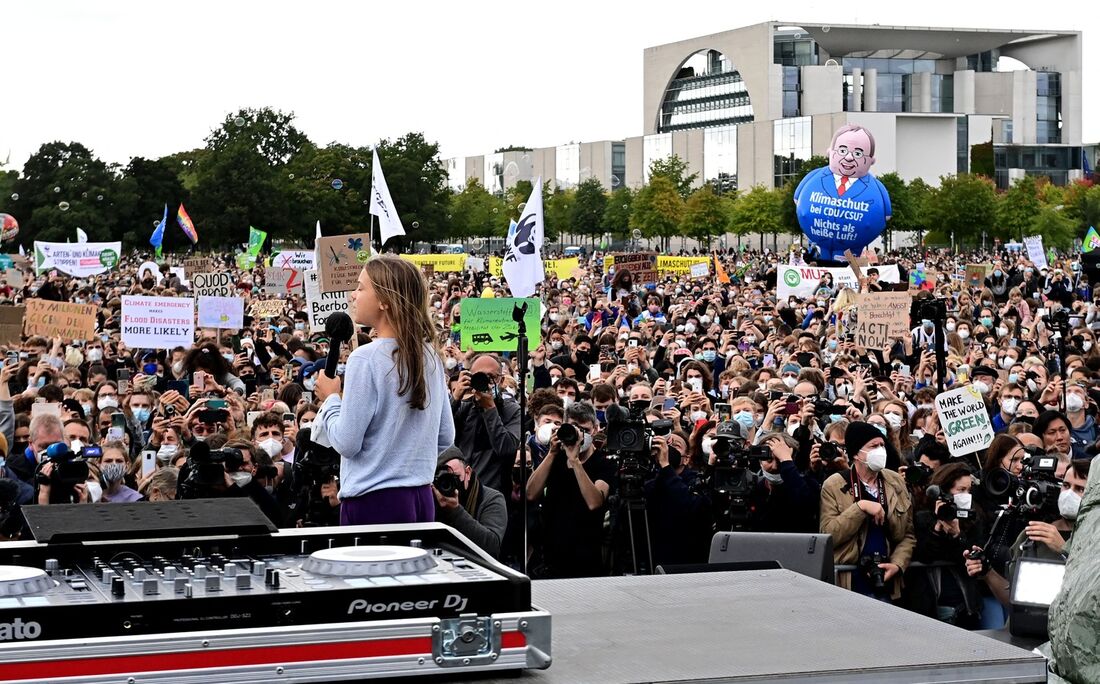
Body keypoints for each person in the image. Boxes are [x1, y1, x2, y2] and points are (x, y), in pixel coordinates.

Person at [313, 256, 455, 525]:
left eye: (360, 287)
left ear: (384, 301)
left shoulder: (365, 358)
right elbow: (445, 436)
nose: (353, 295)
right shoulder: (430, 356)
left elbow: (346, 442)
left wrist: (331, 398)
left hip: (372, 501)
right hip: (421, 498)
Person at [820, 421, 915, 600]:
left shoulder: (894, 482)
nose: (880, 450)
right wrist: (860, 507)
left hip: (886, 580)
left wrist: (897, 564)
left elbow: (908, 534)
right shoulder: (834, 484)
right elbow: (828, 534)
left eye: (882, 445)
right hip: (849, 583)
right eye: (873, 446)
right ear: (856, 453)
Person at [526, 402, 613, 578]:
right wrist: (551, 453)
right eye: (573, 428)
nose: (579, 435)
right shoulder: (555, 458)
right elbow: (530, 493)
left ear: (595, 430)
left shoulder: (604, 464)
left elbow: (594, 502)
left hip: (586, 557)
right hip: (550, 554)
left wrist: (575, 461)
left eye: (584, 430)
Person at [450, 353, 521, 493]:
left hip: (492, 495)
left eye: (492, 377)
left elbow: (506, 450)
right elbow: (438, 435)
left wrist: (490, 409)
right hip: (459, 493)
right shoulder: (464, 408)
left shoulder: (512, 410)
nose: (486, 382)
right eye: (480, 376)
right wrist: (455, 398)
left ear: (501, 381)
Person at [432, 447, 507, 558]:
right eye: (443, 479)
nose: (449, 484)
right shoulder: (430, 497)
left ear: (467, 473)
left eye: (455, 477)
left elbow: (492, 547)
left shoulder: (491, 499)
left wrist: (455, 511)